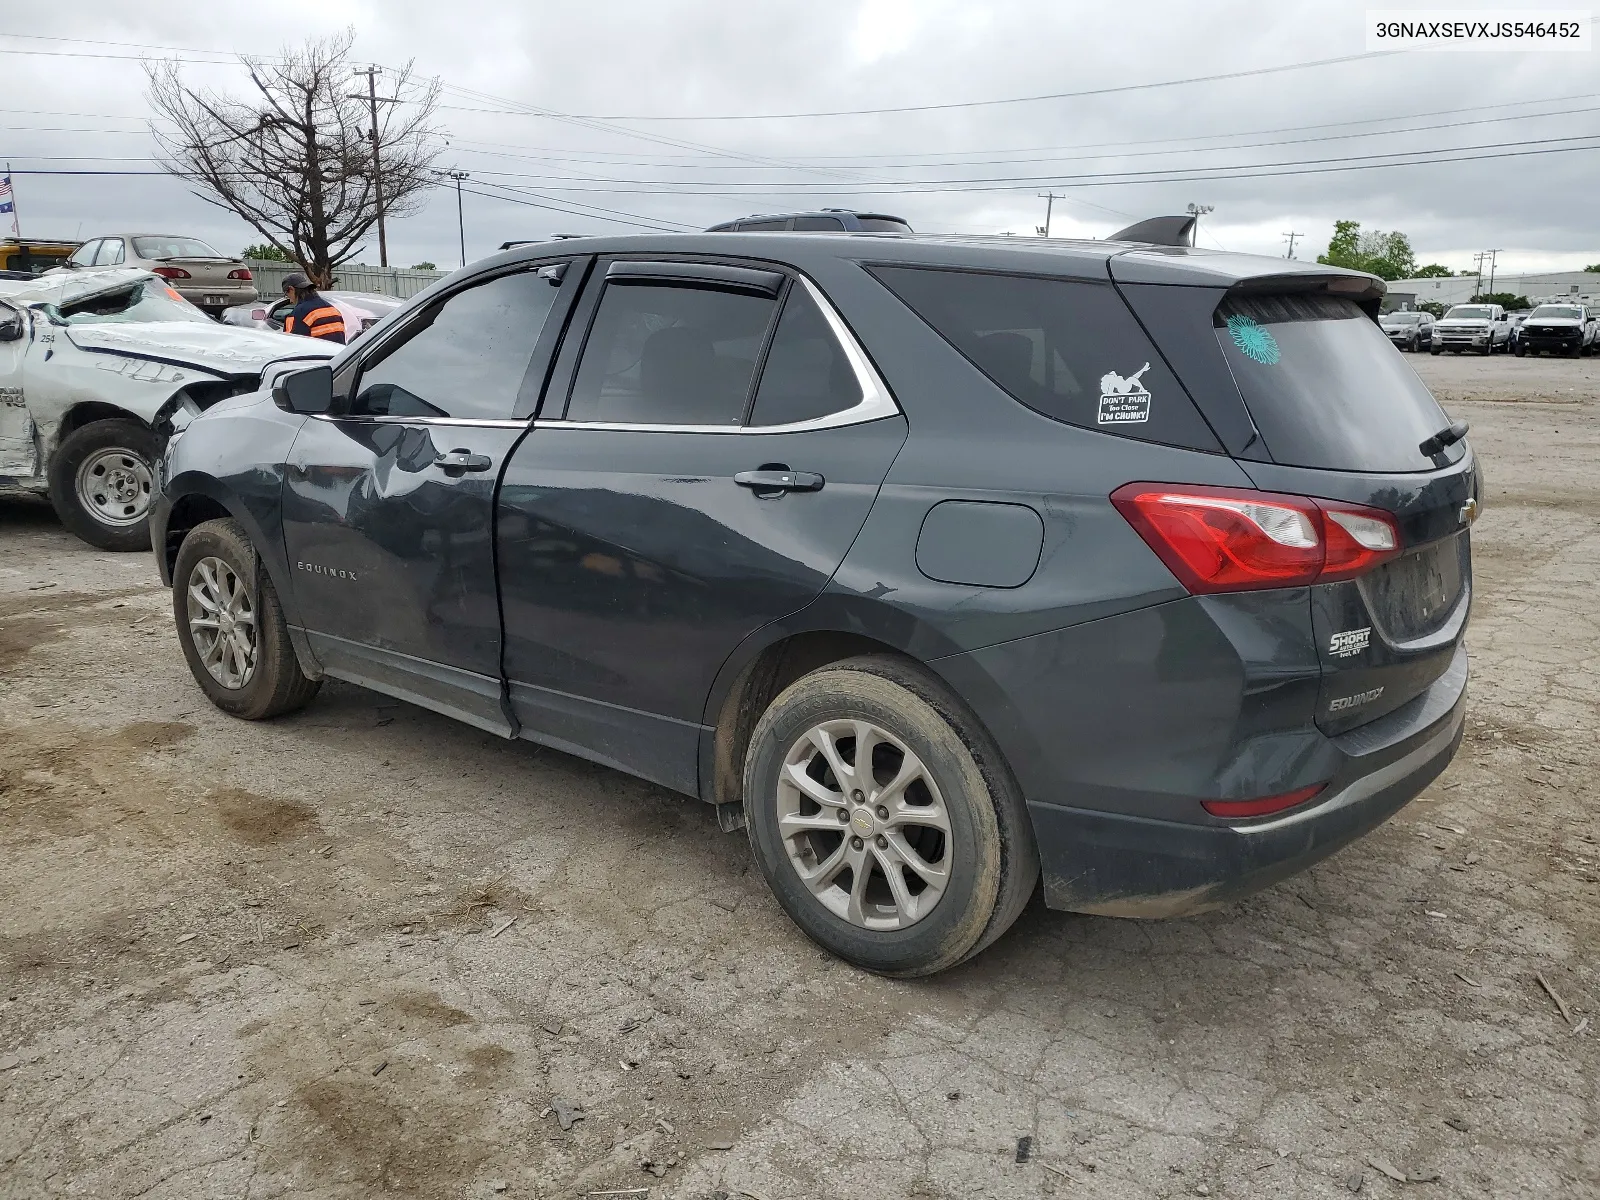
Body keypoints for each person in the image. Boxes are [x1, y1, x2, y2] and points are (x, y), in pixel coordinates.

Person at [280, 272, 346, 344]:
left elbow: (293, 345)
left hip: (317, 354)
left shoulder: (299, 313)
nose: (289, 300)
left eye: (287, 294)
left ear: (291, 289)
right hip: (340, 354)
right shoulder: (333, 309)